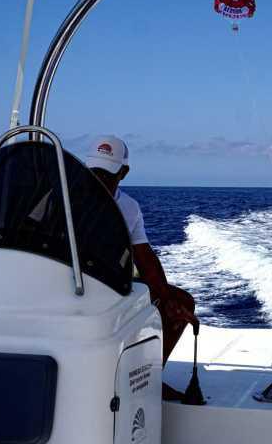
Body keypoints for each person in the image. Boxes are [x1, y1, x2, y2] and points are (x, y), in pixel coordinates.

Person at [84, 135, 199, 399]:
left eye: (107, 174)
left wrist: (167, 299)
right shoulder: (64, 197)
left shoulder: (129, 207)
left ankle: (149, 379)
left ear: (123, 173)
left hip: (110, 287)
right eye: (94, 172)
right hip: (68, 285)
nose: (99, 179)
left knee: (181, 301)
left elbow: (143, 254)